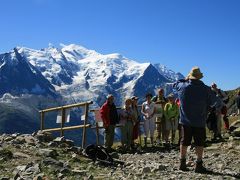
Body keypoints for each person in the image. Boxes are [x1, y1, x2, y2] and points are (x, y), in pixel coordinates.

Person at [173, 66, 218, 173]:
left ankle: (182, 163)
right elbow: (213, 102)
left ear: (190, 76)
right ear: (199, 77)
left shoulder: (182, 86)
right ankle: (198, 164)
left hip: (185, 121)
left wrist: (185, 79)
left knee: (184, 141)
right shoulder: (205, 89)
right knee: (199, 143)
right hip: (199, 121)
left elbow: (175, 84)